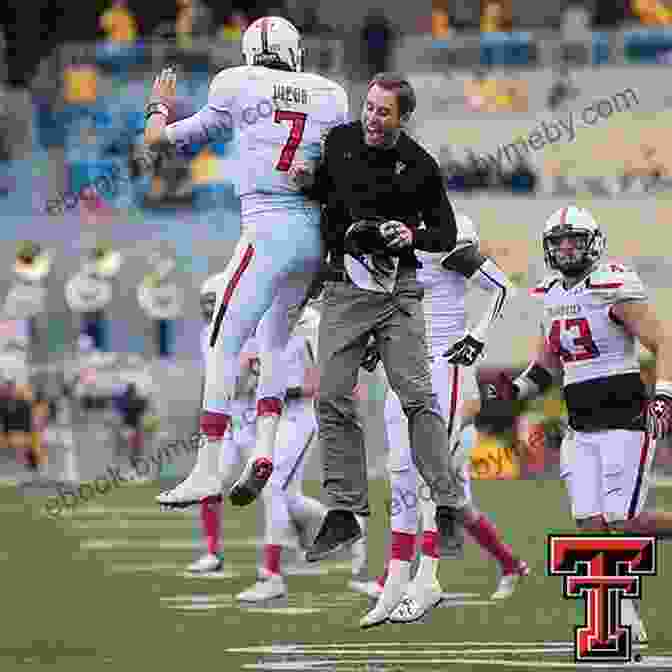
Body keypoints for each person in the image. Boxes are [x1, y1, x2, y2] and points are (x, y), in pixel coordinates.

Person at [146, 17, 349, 510]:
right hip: (315, 236)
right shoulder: (331, 94)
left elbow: (160, 141)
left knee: (222, 342)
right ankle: (263, 450)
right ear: (295, 52)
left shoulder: (236, 83)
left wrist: (157, 106)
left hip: (267, 227)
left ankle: (208, 467)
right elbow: (345, 168)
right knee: (277, 341)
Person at [290, 73, 465, 567]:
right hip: (344, 288)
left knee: (417, 396)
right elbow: (323, 192)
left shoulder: (421, 166)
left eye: (382, 112)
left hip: (397, 292)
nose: (371, 118)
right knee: (329, 395)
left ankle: (447, 501)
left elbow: (445, 233)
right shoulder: (341, 141)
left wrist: (409, 233)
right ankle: (344, 510)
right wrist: (306, 181)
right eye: (368, 107)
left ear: (402, 119)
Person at [489, 204, 672, 643]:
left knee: (621, 523)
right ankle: (623, 614)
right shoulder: (551, 294)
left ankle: (623, 611)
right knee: (591, 523)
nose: (567, 248)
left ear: (593, 242)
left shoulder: (613, 283)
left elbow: (662, 340)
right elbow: (546, 364)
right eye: (559, 241)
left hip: (625, 419)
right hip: (580, 423)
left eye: (575, 239)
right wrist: (513, 392)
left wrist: (664, 394)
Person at [355, 213, 528, 628]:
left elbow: (504, 287)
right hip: (404, 366)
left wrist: (477, 335)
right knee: (399, 472)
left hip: (441, 367)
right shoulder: (392, 246)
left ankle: (427, 577)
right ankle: (395, 580)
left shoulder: (445, 238)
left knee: (428, 478)